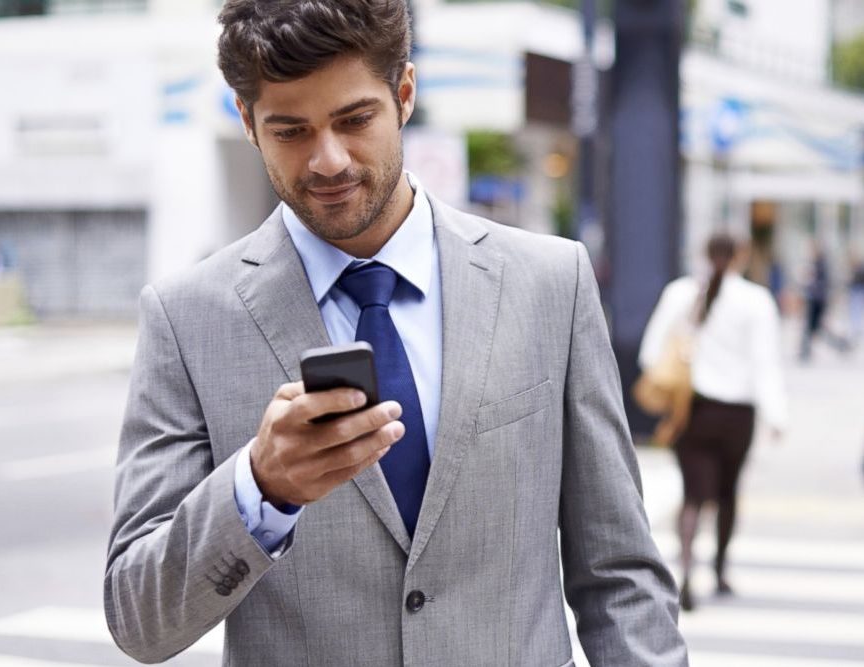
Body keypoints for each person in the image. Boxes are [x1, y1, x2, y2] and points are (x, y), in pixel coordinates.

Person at [104, 2, 687, 664]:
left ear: (403, 93)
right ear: (247, 122)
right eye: (291, 130)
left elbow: (620, 575)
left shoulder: (549, 282)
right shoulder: (186, 319)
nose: (327, 161)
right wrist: (260, 487)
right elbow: (139, 618)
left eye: (354, 121)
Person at [640, 234, 787, 612]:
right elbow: (765, 363)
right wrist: (776, 415)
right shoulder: (756, 301)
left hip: (693, 411)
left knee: (692, 496)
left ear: (704, 254)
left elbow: (651, 352)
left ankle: (686, 570)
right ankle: (720, 570)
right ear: (741, 256)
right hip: (739, 414)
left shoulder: (679, 293)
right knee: (727, 492)